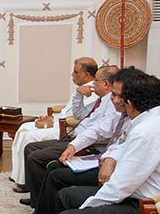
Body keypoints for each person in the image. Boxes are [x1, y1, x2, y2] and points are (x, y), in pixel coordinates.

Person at [56, 67, 160, 214]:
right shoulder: (146, 119)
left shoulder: (145, 131)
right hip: (131, 190)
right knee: (64, 195)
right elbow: (121, 143)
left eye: (116, 94)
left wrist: (86, 207)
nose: (113, 99)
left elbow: (120, 187)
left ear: (129, 103)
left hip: (142, 202)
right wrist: (110, 157)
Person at [34, 65, 133, 214]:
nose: (114, 100)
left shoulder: (142, 126)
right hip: (98, 156)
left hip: (110, 170)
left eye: (117, 95)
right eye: (113, 95)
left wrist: (110, 159)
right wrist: (74, 146)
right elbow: (96, 128)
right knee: (54, 167)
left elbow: (128, 171)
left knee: (56, 177)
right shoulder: (119, 110)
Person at [10, 57, 99, 193]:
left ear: (86, 74)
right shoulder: (82, 88)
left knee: (29, 136)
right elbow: (75, 111)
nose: (72, 75)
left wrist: (52, 123)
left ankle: (25, 182)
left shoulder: (93, 90)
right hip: (61, 122)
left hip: (68, 128)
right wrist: (51, 119)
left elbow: (79, 117)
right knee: (23, 128)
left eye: (75, 72)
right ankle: (18, 175)